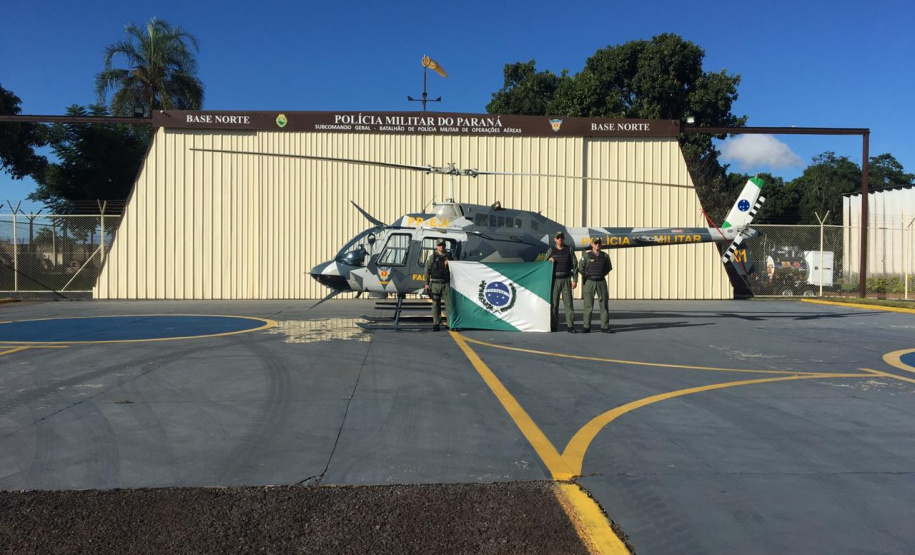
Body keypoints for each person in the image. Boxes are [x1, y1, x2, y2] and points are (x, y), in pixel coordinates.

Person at [544, 231, 578, 333]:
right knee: (554, 304)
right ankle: (553, 325)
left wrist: (575, 280)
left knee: (568, 304)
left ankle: (570, 325)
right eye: (558, 237)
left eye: (561, 237)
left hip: (566, 279)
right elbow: (543, 264)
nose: (560, 239)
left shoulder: (569, 250)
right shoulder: (551, 250)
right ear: (555, 239)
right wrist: (549, 260)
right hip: (555, 280)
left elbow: (575, 265)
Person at [578, 237, 613, 333]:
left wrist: (600, 274)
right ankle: (586, 326)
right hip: (590, 282)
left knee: (604, 305)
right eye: (595, 243)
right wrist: (587, 275)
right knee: (588, 305)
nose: (597, 244)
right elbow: (580, 268)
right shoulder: (586, 256)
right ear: (592, 244)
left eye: (599, 243)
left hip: (601, 282)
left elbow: (608, 268)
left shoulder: (605, 256)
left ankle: (605, 326)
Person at [424, 239, 453, 332]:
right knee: (435, 305)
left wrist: (450, 263)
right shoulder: (432, 257)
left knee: (449, 305)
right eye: (439, 245)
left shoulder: (450, 256)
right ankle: (436, 324)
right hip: (436, 284)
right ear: (437, 246)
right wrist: (426, 283)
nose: (441, 247)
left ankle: (451, 323)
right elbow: (427, 270)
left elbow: (457, 268)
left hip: (446, 284)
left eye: (443, 245)